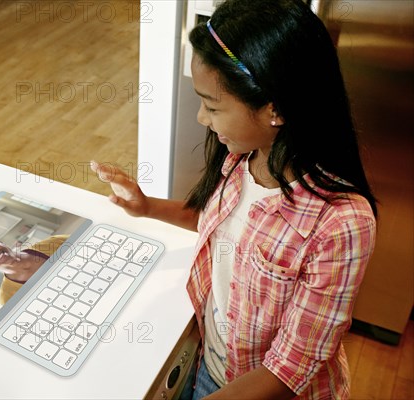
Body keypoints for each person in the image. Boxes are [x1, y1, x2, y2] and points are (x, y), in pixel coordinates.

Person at [90, 0, 377, 398]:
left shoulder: (341, 223)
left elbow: (290, 367)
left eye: (211, 106)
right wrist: (147, 206)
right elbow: (217, 220)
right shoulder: (242, 158)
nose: (201, 119)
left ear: (274, 108)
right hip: (210, 365)